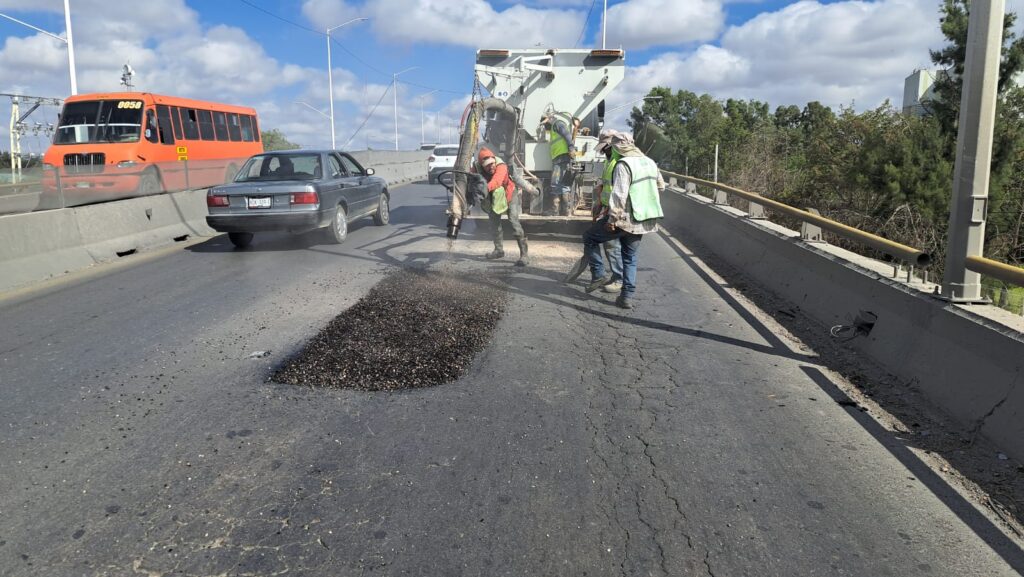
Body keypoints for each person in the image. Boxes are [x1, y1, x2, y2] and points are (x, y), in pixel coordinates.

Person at [581, 131, 665, 309]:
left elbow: (619, 195)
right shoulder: (650, 162)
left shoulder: (623, 164)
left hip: (624, 218)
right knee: (630, 258)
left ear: (617, 147)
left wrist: (612, 219)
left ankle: (598, 274)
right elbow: (661, 186)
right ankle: (626, 296)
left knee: (589, 237)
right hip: (643, 218)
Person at [473, 147, 529, 266]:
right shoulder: (476, 168)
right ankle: (498, 250)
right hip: (493, 196)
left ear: (495, 160)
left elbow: (497, 182)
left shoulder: (501, 166)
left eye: (492, 163)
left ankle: (524, 255)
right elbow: (470, 180)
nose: (491, 167)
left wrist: (482, 190)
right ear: (481, 165)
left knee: (514, 222)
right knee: (494, 223)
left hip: (509, 194)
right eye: (487, 165)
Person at [541, 111, 581, 216]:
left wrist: (571, 148)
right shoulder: (554, 128)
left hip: (562, 157)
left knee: (556, 183)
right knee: (563, 184)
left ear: (549, 119)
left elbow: (567, 136)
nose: (544, 125)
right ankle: (565, 211)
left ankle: (555, 210)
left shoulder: (558, 124)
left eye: (544, 122)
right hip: (560, 158)